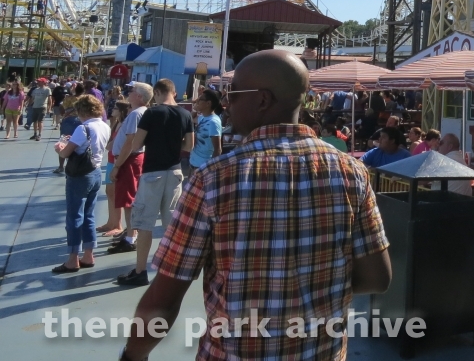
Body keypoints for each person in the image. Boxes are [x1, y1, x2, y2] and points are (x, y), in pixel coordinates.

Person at [121, 49, 392, 361]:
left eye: (233, 94)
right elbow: (377, 277)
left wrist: (132, 356)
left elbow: (164, 299)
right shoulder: (352, 172)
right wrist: (309, 288)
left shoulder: (213, 180)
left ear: (263, 100)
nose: (227, 103)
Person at [115, 78, 194, 287]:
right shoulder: (185, 114)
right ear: (174, 92)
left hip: (152, 173)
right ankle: (170, 271)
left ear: (157, 93)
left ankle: (140, 271)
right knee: (170, 225)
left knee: (145, 224)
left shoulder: (151, 113)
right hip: (175, 172)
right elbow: (189, 146)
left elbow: (136, 143)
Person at [51, 95, 111, 274]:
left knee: (74, 216)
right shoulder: (105, 126)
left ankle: (72, 259)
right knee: (89, 215)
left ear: (82, 111)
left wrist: (60, 148)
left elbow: (65, 153)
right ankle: (89, 254)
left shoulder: (83, 128)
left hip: (79, 176)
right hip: (96, 172)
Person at [108, 83, 152, 253]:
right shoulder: (138, 112)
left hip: (129, 160)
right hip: (130, 159)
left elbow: (130, 142)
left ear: (139, 96)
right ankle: (130, 234)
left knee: (128, 200)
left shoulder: (135, 114)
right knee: (128, 199)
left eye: (132, 91)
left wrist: (117, 166)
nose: (128, 92)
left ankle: (130, 238)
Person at [97, 100, 130, 235]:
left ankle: (117, 224)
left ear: (122, 111)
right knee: (109, 191)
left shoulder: (124, 125)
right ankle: (111, 221)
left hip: (117, 161)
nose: (112, 110)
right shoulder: (117, 124)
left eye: (115, 108)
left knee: (115, 193)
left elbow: (118, 143)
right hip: (111, 160)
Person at [187, 89, 223, 176]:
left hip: (204, 168)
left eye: (200, 99)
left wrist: (210, 169)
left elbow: (218, 149)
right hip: (194, 164)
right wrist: (195, 110)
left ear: (208, 103)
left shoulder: (213, 122)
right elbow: (191, 120)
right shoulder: (203, 117)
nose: (197, 101)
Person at [54, 105, 83, 174]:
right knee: (79, 143)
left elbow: (61, 109)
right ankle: (76, 165)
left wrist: (64, 114)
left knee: (63, 142)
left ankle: (61, 166)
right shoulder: (84, 100)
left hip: (68, 120)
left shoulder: (66, 100)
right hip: (80, 119)